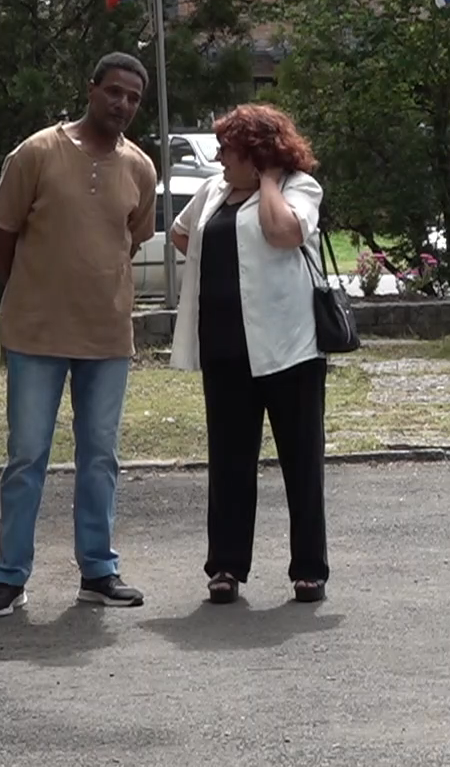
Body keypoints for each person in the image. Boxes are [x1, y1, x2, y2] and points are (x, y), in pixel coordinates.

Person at [0, 52, 158, 618]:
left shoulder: (141, 168)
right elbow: (1, 235)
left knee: (100, 456)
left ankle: (98, 572)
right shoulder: (36, 153)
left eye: (132, 98)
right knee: (27, 455)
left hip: (106, 336)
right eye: (114, 92)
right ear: (91, 89)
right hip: (36, 332)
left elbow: (129, 241)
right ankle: (10, 578)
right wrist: (32, 289)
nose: (122, 104)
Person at [169, 104, 331, 605]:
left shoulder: (298, 189)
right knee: (229, 462)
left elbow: (283, 232)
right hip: (224, 348)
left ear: (256, 154)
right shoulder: (213, 191)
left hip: (289, 348)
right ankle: (225, 566)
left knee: (300, 461)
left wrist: (268, 182)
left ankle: (309, 568)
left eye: (227, 149)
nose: (218, 157)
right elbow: (181, 232)